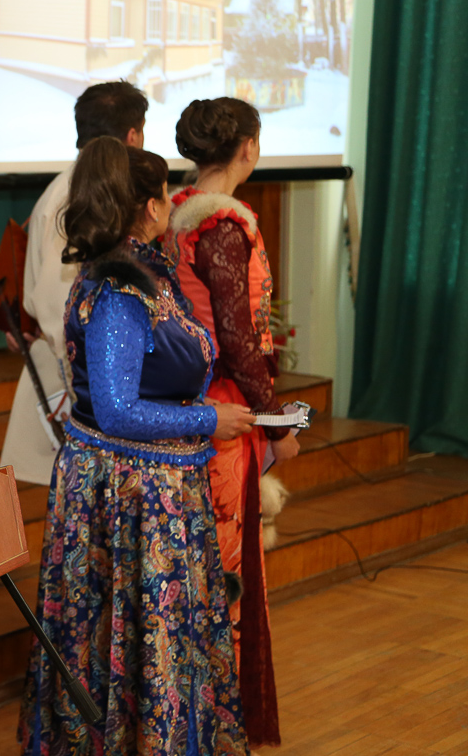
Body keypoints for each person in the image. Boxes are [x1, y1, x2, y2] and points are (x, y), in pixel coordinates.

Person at [18, 138, 255, 756]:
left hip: (154, 492)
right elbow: (118, 411)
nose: (172, 208)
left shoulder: (145, 275)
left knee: (155, 639)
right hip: (130, 500)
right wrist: (208, 418)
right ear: (151, 208)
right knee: (136, 639)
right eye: (166, 199)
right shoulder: (120, 292)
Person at [166, 97, 297, 748]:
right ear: (248, 146)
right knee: (223, 567)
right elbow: (240, 341)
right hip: (220, 409)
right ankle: (212, 721)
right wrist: (277, 425)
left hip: (190, 402)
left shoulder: (179, 213)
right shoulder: (222, 226)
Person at [1, 81, 149, 484]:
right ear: (132, 136)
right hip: (80, 379)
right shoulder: (78, 197)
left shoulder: (74, 189)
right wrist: (88, 384)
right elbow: (55, 304)